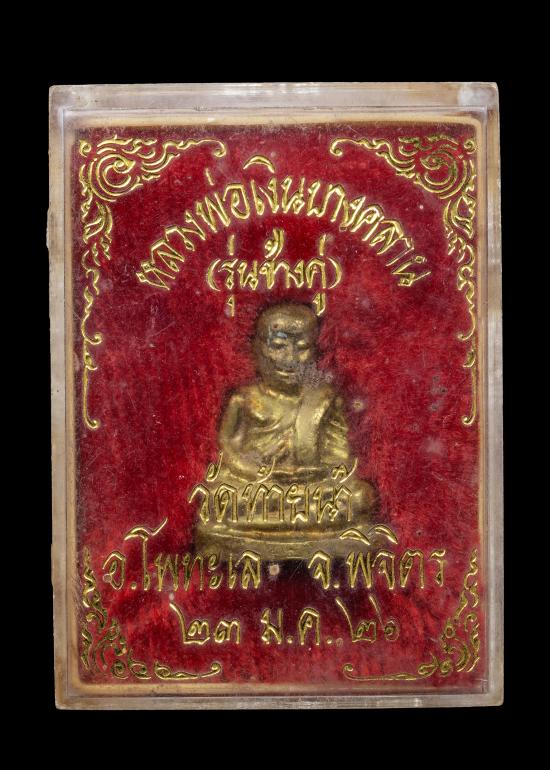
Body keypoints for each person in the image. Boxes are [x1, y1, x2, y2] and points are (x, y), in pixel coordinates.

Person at [193, 302, 378, 560]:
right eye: (278, 345)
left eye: (301, 347)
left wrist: (317, 474)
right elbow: (228, 450)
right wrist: (258, 473)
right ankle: (293, 521)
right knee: (219, 499)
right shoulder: (244, 399)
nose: (290, 358)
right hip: (258, 487)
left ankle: (282, 522)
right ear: (257, 349)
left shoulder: (324, 399)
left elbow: (339, 456)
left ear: (315, 351)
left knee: (359, 497)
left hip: (312, 488)